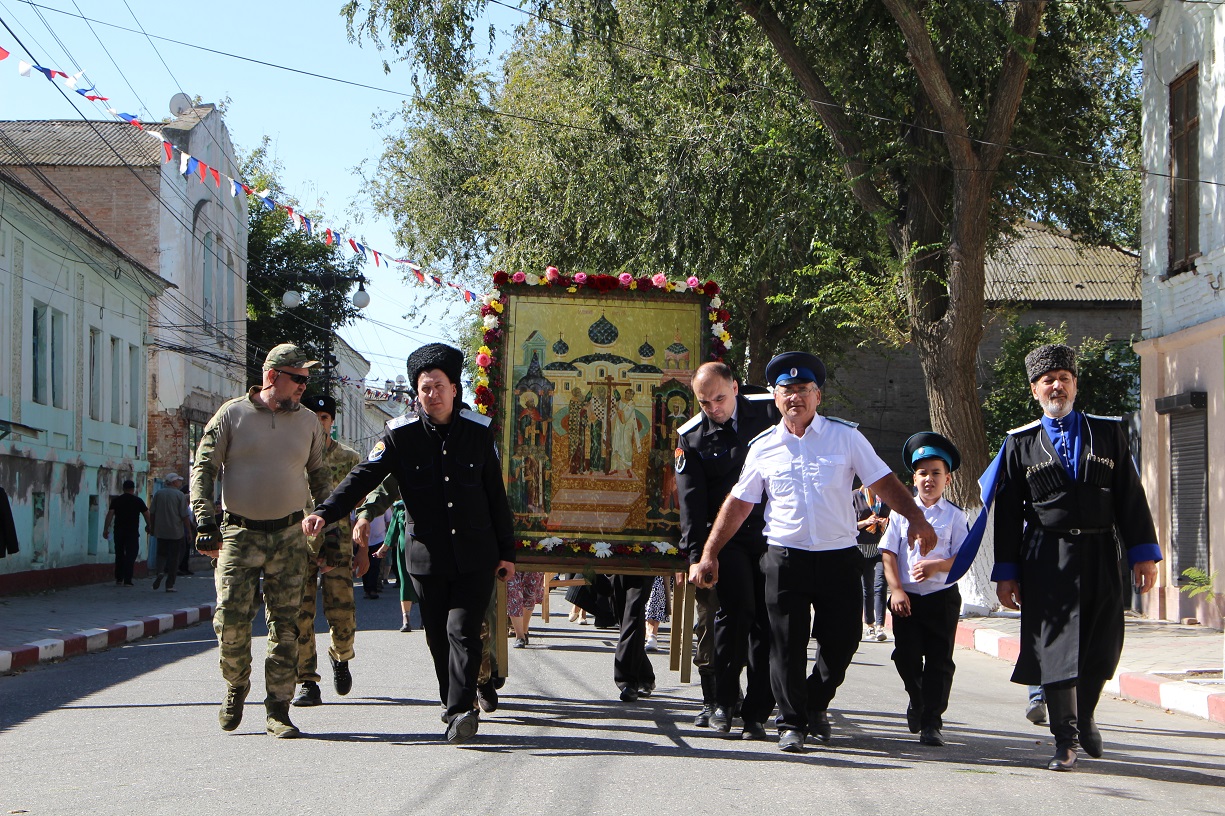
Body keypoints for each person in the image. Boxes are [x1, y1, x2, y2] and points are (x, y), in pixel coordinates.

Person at [692, 351, 937, 753]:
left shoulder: (846, 437)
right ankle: (791, 723)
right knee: (785, 645)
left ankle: (814, 701)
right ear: (775, 398)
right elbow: (738, 504)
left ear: (817, 396)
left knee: (843, 641)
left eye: (803, 390)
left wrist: (917, 519)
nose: (795, 398)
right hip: (784, 558)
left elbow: (884, 481)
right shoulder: (764, 447)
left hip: (839, 555)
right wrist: (710, 553)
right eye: (787, 391)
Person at [304, 343, 515, 745]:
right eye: (424, 387)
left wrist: (507, 553)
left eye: (438, 386)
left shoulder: (479, 431)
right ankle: (453, 704)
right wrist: (326, 512)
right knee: (437, 634)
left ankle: (461, 710)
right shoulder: (399, 435)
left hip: (475, 554)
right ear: (415, 392)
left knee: (464, 630)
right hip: (427, 558)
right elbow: (363, 478)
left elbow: (495, 496)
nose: (431, 394)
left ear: (454, 388)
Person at [991, 343, 1161, 771]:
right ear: (1035, 390)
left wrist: (1144, 555)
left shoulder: (1108, 433)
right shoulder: (1020, 443)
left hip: (1102, 552)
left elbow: (1130, 498)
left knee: (1101, 645)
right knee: (1056, 648)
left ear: (1075, 384)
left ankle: (1086, 718)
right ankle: (1064, 741)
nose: (1057, 386)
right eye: (1048, 380)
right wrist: (1006, 573)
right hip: (1046, 557)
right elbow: (1009, 516)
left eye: (1064, 378)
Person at [190, 343, 331, 739]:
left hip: (289, 536)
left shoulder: (307, 423)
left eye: (306, 379)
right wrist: (205, 520)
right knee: (231, 622)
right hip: (239, 535)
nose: (304, 386)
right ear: (273, 376)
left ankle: (278, 710)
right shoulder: (232, 415)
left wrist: (331, 531)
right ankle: (236, 685)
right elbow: (203, 469)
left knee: (286, 628)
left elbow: (321, 479)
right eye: (298, 378)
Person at [677, 363, 778, 738]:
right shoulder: (693, 437)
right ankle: (723, 702)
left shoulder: (770, 412)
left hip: (772, 535)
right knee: (735, 614)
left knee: (768, 621)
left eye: (720, 398)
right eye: (704, 403)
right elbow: (692, 504)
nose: (714, 408)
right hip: (727, 540)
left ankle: (757, 710)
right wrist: (697, 557)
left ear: (735, 387)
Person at [880, 432, 968, 748]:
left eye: (935, 473)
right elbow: (888, 552)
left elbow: (964, 557)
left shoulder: (956, 516)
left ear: (947, 478)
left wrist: (938, 566)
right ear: (913, 477)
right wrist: (896, 590)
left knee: (939, 661)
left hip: (940, 598)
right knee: (905, 656)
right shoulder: (901, 513)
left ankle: (932, 721)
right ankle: (916, 697)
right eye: (922, 473)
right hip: (908, 600)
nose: (928, 479)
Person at [291, 394, 367, 709]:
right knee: (300, 617)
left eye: (325, 416)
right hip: (298, 549)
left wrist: (362, 548)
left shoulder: (349, 459)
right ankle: (307, 681)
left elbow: (366, 505)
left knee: (343, 615)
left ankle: (341, 656)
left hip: (339, 549)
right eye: (314, 415)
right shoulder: (291, 457)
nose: (320, 421)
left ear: (332, 421)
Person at [853, 483, 890, 641]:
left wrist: (884, 522)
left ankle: (880, 626)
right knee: (866, 587)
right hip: (861, 549)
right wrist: (866, 522)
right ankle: (869, 625)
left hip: (879, 548)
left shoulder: (885, 495)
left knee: (880, 585)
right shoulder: (855, 496)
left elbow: (893, 519)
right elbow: (848, 524)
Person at [148, 473, 191, 592]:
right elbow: (184, 515)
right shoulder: (179, 495)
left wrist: (152, 527)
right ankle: (170, 584)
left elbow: (152, 513)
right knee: (174, 558)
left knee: (161, 554)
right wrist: (189, 532)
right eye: (178, 480)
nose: (180, 482)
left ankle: (160, 571)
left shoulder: (159, 494)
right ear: (173, 482)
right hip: (176, 532)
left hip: (161, 531)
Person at [102, 479, 148, 587]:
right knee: (131, 554)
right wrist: (149, 526)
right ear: (133, 489)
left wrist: (105, 529)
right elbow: (146, 514)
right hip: (132, 532)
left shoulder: (117, 501)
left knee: (119, 554)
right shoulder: (138, 501)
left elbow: (110, 514)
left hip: (119, 531)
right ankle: (128, 579)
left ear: (123, 489)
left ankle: (119, 578)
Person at [507, 570, 545, 648]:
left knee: (530, 592)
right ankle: (520, 636)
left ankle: (524, 631)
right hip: (510, 561)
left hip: (534, 561)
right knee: (512, 592)